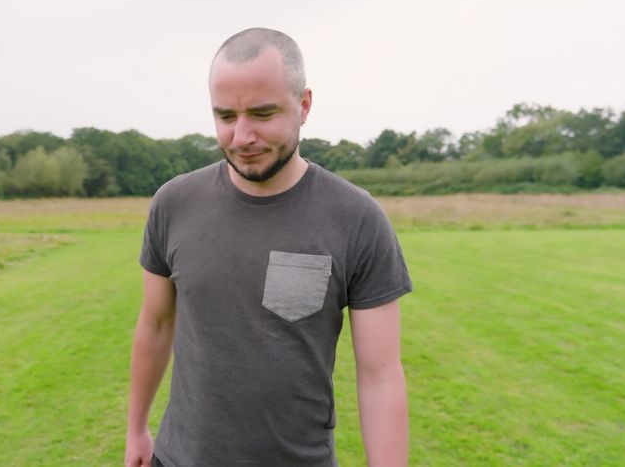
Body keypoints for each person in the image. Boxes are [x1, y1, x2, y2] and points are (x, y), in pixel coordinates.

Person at [125, 28, 412, 466]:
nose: (242, 136)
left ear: (304, 105)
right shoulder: (173, 204)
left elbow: (380, 375)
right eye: (225, 116)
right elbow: (156, 325)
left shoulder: (356, 219)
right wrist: (136, 429)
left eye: (262, 114)